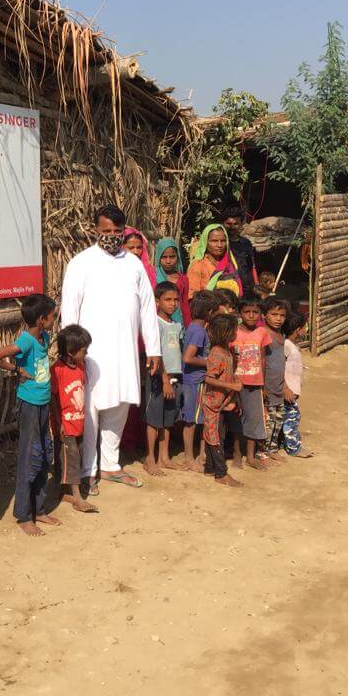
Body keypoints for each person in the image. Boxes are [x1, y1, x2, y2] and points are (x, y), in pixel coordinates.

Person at [61, 204, 162, 492]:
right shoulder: (81, 263)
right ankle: (88, 470)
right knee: (91, 409)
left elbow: (146, 308)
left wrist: (153, 349)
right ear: (96, 230)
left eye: (117, 231)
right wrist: (70, 350)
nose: (112, 236)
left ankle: (110, 464)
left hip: (125, 350)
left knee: (120, 404)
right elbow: (70, 308)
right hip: (90, 354)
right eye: (106, 231)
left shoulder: (133, 264)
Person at [0, 294, 61, 535]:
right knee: (29, 457)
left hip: (42, 404)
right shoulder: (26, 341)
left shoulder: (44, 337)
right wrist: (17, 369)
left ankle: (39, 508)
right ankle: (24, 515)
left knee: (43, 455)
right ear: (41, 319)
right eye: (52, 316)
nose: (54, 319)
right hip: (29, 406)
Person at [50, 324, 98, 513]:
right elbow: (53, 397)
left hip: (78, 422)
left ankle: (63, 491)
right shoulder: (57, 370)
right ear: (71, 352)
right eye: (84, 350)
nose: (86, 353)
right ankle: (78, 498)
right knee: (72, 459)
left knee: (71, 458)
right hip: (65, 425)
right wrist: (59, 422)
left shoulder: (80, 367)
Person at [144, 282, 184, 476]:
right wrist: (165, 380)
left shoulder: (177, 325)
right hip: (158, 378)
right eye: (168, 299)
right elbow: (156, 354)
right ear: (157, 301)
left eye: (176, 299)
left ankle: (164, 457)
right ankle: (150, 458)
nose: (173, 303)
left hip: (175, 377)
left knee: (168, 419)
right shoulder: (154, 324)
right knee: (154, 419)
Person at [201, 315, 244, 487]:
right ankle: (220, 474)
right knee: (215, 436)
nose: (236, 332)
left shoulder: (227, 351)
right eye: (234, 329)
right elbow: (209, 379)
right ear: (225, 332)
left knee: (218, 433)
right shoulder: (217, 354)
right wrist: (231, 386)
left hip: (221, 403)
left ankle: (210, 468)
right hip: (213, 404)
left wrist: (234, 384)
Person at [230, 297, 271, 470]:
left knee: (254, 419)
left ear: (260, 314)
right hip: (236, 383)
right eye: (247, 312)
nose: (251, 315)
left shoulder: (262, 333)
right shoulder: (233, 332)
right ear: (240, 314)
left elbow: (263, 359)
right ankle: (237, 453)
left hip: (255, 383)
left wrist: (264, 384)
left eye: (255, 312)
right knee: (236, 418)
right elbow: (230, 358)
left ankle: (251, 456)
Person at [180, 291, 219, 473]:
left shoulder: (194, 328)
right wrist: (209, 363)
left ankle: (201, 454)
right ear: (210, 312)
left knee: (200, 419)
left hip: (197, 381)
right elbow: (188, 357)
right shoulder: (198, 331)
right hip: (194, 382)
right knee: (191, 421)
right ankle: (189, 458)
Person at [282, 312, 314, 458]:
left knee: (286, 416)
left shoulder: (292, 345)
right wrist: (286, 388)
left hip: (291, 388)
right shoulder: (286, 345)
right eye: (305, 327)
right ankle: (294, 448)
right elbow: (279, 367)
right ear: (298, 329)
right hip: (286, 390)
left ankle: (284, 443)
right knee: (292, 417)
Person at [262, 296, 290, 456]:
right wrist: (262, 386)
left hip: (278, 385)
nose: (278, 319)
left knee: (278, 420)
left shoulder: (281, 335)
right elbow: (260, 362)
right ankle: (264, 450)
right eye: (274, 314)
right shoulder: (263, 334)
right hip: (267, 386)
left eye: (282, 316)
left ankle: (272, 448)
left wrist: (285, 385)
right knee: (268, 420)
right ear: (264, 315)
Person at [187, 224, 242, 297]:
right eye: (214, 241)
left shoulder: (230, 263)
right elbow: (192, 294)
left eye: (223, 241)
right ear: (205, 242)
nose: (219, 245)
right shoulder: (198, 264)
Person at [221, 205, 258, 294]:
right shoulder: (220, 244)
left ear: (241, 224)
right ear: (223, 223)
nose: (232, 227)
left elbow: (251, 267)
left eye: (236, 224)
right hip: (227, 290)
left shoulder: (246, 243)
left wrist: (255, 285)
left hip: (246, 290)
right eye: (229, 224)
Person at [155, 237, 191, 326]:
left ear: (177, 256)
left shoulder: (183, 279)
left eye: (172, 257)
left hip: (178, 324)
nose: (168, 261)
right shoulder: (152, 276)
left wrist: (188, 326)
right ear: (158, 257)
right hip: (158, 323)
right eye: (164, 257)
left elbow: (185, 305)